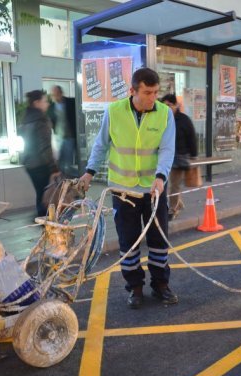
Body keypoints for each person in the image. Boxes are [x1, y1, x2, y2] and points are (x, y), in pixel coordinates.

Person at [79, 68, 177, 309]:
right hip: (123, 192)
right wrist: (89, 172)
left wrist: (161, 176)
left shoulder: (165, 114)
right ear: (132, 91)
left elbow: (167, 149)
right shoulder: (113, 112)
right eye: (147, 92)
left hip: (153, 191)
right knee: (128, 242)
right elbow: (101, 145)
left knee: (158, 241)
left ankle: (160, 285)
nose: (152, 97)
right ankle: (134, 288)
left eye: (155, 92)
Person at [19, 90, 58, 217]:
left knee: (40, 193)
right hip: (41, 164)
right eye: (45, 101)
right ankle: (46, 222)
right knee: (46, 195)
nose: (47, 104)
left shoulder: (26, 119)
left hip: (29, 163)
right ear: (37, 103)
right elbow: (45, 147)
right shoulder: (41, 120)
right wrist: (53, 167)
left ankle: (41, 220)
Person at [159, 93, 198, 220]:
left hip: (179, 157)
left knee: (174, 185)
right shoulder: (161, 119)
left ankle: (172, 209)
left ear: (176, 105)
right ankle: (177, 203)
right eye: (164, 105)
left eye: (169, 105)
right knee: (167, 183)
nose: (167, 108)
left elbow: (192, 138)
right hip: (164, 157)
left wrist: (193, 156)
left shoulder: (184, 120)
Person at [48, 85, 77, 176]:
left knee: (68, 163)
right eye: (53, 95)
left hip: (69, 137)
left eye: (56, 94)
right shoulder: (51, 107)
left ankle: (75, 178)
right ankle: (63, 182)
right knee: (59, 163)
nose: (55, 97)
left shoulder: (71, 102)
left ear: (61, 93)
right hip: (58, 138)